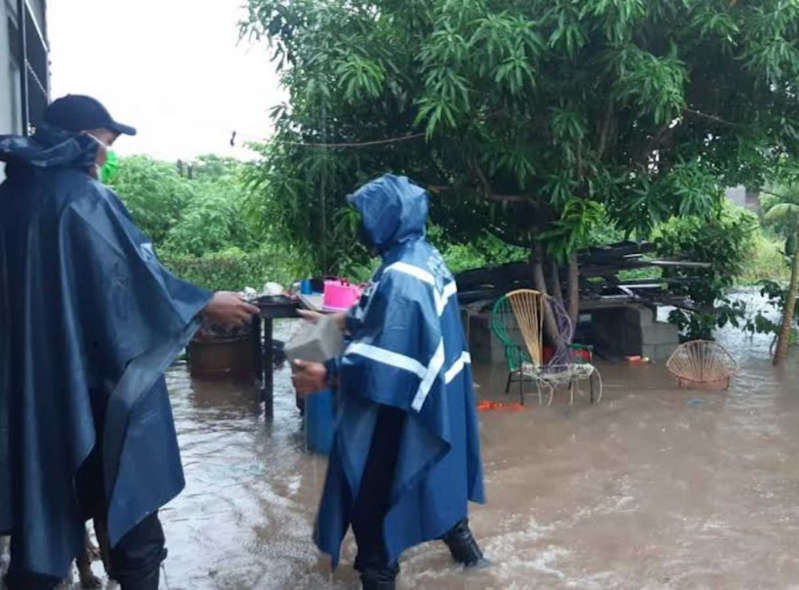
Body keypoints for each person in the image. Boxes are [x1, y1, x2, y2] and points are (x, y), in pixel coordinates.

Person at [0, 95, 259, 590]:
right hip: (97, 387)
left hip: (32, 387)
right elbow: (131, 285)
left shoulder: (10, 199)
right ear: (82, 140)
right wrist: (202, 304)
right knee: (130, 513)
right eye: (107, 143)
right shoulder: (86, 201)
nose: (106, 155)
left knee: (44, 494)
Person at [292, 174, 486, 590]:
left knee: (373, 512)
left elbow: (391, 362)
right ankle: (476, 568)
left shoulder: (401, 274)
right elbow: (384, 315)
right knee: (439, 482)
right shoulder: (425, 257)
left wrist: (327, 373)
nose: (362, 224)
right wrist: (336, 321)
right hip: (437, 403)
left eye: (366, 215)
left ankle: (379, 575)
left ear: (386, 216)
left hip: (398, 409)